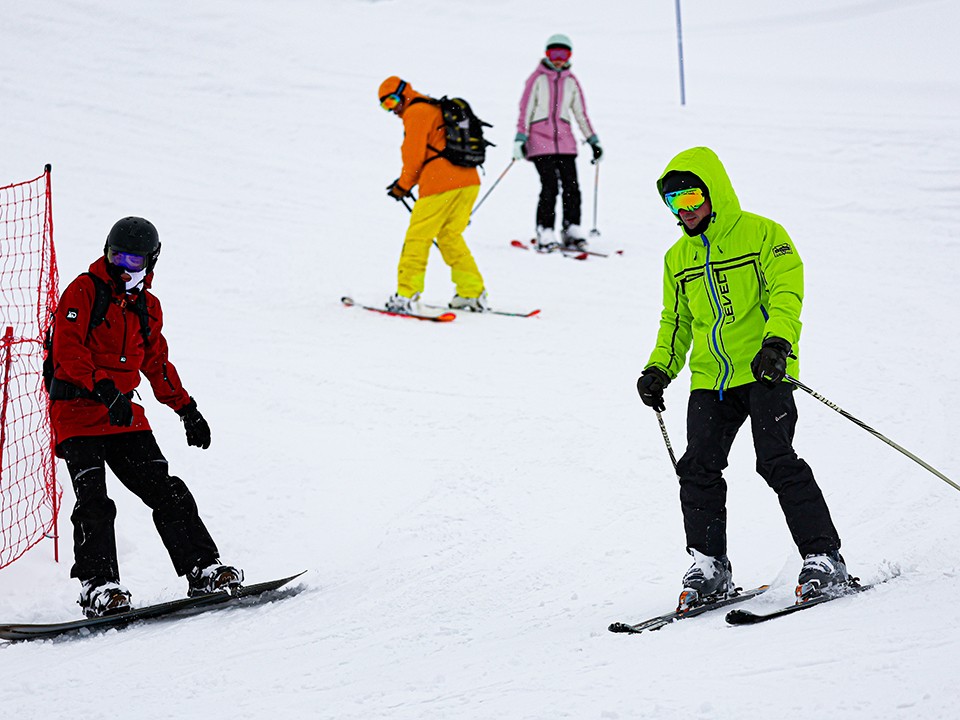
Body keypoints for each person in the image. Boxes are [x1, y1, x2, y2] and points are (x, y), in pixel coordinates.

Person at [636, 147, 849, 610]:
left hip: (764, 370)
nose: (686, 210)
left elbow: (786, 292)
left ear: (714, 192)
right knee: (697, 468)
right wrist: (659, 368)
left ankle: (823, 556)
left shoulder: (762, 234)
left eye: (692, 196)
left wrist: (777, 344)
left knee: (776, 460)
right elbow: (675, 321)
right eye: (675, 203)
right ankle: (710, 565)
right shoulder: (678, 258)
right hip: (711, 378)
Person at [48, 216, 243, 617]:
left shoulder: (148, 308)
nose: (123, 267)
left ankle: (203, 568)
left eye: (133, 261)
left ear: (151, 263)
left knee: (166, 489)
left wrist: (186, 408)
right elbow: (68, 350)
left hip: (124, 417)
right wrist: (102, 388)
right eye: (115, 256)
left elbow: (157, 364)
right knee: (94, 501)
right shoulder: (84, 291)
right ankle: (99, 586)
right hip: (78, 412)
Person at [377, 76, 488, 314]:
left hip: (440, 183)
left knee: (418, 238)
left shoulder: (415, 112)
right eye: (385, 105)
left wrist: (403, 186)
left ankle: (407, 295)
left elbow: (413, 157)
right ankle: (472, 292)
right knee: (450, 236)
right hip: (469, 181)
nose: (393, 108)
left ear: (404, 93)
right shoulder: (435, 107)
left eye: (393, 100)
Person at [514, 33, 602, 252]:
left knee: (572, 186)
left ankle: (571, 228)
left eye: (563, 54)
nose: (559, 58)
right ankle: (545, 230)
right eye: (554, 53)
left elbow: (580, 113)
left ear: (570, 55)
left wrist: (593, 139)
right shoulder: (536, 79)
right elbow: (525, 109)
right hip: (539, 140)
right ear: (547, 54)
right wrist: (520, 137)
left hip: (565, 141)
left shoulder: (571, 81)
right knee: (550, 184)